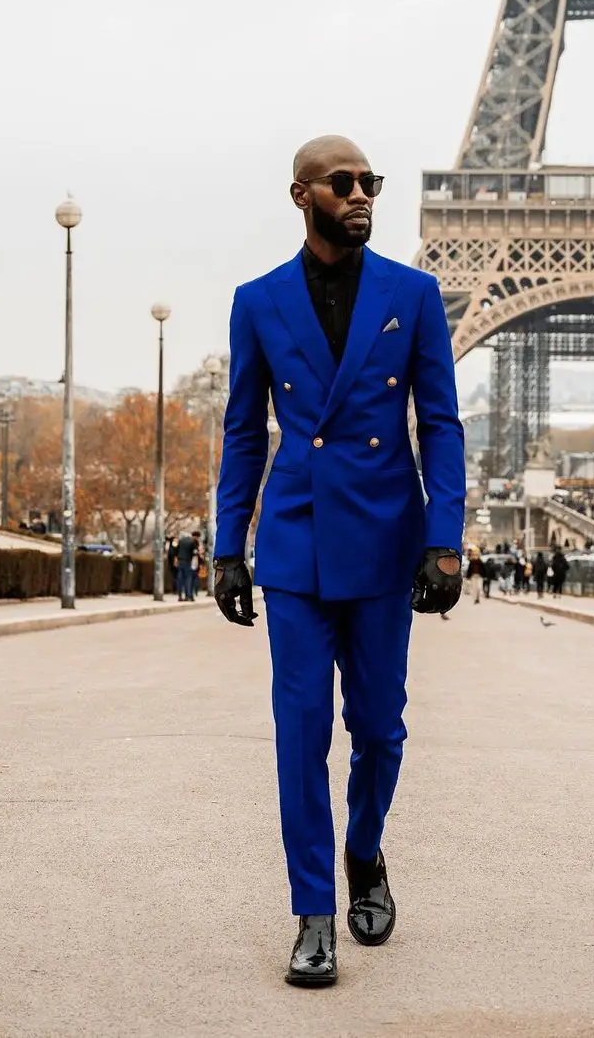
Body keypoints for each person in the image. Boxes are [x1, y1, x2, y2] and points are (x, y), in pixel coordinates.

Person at [212, 135, 466, 988]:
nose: (361, 194)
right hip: (293, 543)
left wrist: (444, 536)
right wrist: (225, 547)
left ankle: (364, 849)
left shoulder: (414, 292)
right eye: (344, 182)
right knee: (299, 735)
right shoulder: (257, 300)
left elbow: (441, 423)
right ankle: (312, 911)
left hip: (387, 540)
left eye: (370, 182)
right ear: (302, 195)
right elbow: (245, 429)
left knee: (381, 729)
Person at [175, 529, 198, 601]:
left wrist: (176, 560)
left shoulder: (181, 540)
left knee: (180, 579)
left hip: (180, 561)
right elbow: (195, 553)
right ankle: (188, 596)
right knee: (188, 579)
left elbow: (176, 551)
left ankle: (179, 596)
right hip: (188, 562)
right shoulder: (192, 542)